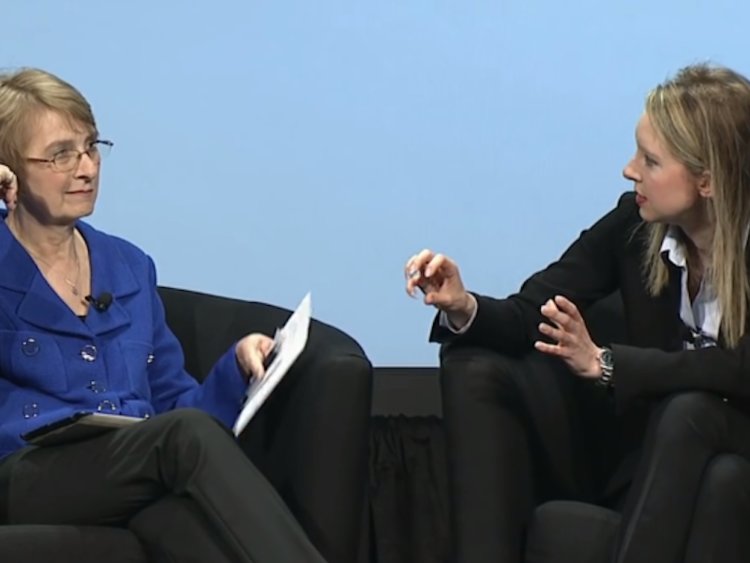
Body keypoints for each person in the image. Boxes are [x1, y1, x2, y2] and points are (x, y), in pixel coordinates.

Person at [0, 67, 372, 563]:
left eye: (91, 147)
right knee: (182, 440)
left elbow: (176, 402)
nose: (86, 168)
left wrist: (237, 369)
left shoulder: (129, 266)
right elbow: (182, 434)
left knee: (185, 525)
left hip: (132, 466)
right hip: (27, 473)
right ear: (9, 168)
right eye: (61, 154)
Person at [405, 62, 750, 563]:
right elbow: (536, 307)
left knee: (692, 412)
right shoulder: (634, 224)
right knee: (721, 476)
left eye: (651, 161)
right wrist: (463, 305)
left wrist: (607, 363)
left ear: (707, 182)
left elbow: (739, 369)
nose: (630, 170)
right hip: (676, 466)